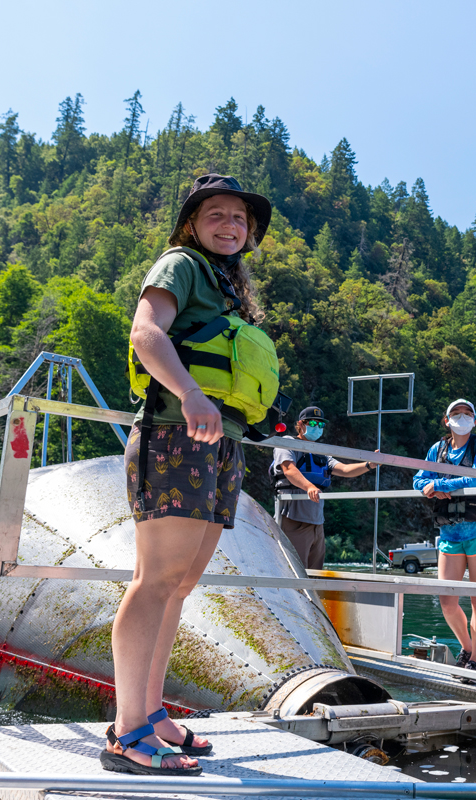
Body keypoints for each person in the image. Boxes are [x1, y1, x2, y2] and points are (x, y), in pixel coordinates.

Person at [111, 174, 273, 775]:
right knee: (155, 581)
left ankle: (151, 714)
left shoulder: (228, 288)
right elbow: (146, 332)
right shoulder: (180, 263)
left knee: (179, 586)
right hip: (177, 435)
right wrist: (188, 393)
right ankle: (127, 734)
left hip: (219, 443)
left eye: (240, 218)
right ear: (192, 224)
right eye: (216, 215)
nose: (229, 225)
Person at [413, 399, 476, 681]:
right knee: (447, 601)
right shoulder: (437, 449)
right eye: (456, 413)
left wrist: (439, 485)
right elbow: (419, 478)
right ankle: (468, 647)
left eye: (467, 414)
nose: (461, 417)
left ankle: (474, 660)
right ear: (446, 419)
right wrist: (428, 488)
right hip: (449, 532)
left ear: (475, 420)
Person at [271, 406, 376, 570]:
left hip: (317, 521)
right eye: (313, 423)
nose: (317, 427)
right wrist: (309, 487)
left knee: (315, 572)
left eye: (321, 425)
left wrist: (370, 464)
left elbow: (345, 470)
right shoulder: (287, 443)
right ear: (301, 424)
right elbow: (289, 469)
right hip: (293, 516)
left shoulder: (322, 453)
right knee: (294, 570)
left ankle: (313, 597)